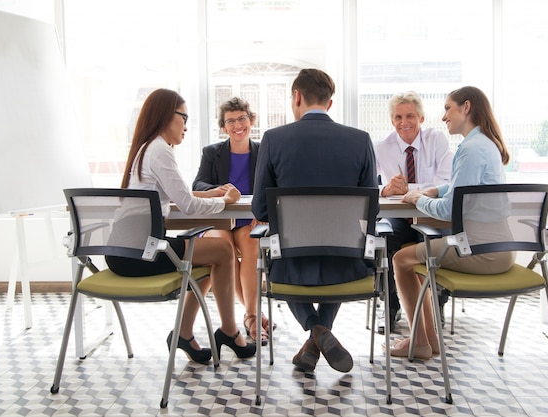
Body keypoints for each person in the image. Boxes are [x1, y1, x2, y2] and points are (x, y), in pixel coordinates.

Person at [106, 88, 256, 364]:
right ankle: (230, 331)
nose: (186, 126)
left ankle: (185, 333)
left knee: (211, 257)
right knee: (222, 251)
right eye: (183, 118)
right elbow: (188, 206)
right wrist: (225, 200)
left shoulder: (146, 148)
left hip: (122, 251)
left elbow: (178, 195)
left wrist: (207, 194)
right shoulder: (160, 150)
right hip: (142, 253)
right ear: (166, 116)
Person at [252, 68, 378, 373]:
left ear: (297, 97)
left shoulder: (273, 139)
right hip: (347, 264)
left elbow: (259, 208)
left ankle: (317, 332)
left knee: (279, 263)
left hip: (291, 265)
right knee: (334, 248)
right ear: (329, 103)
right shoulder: (360, 140)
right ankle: (321, 334)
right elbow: (371, 211)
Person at [389, 86, 512, 360]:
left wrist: (416, 199)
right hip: (501, 248)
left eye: (448, 108)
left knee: (400, 259)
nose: (444, 117)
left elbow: (447, 211)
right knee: (417, 262)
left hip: (479, 252)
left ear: (466, 107)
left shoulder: (469, 149)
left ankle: (419, 341)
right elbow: (464, 189)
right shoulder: (485, 144)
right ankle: (426, 341)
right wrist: (436, 190)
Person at [193, 97, 273, 345]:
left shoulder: (263, 151)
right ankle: (251, 315)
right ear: (223, 126)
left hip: (250, 219)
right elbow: (198, 185)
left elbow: (274, 185)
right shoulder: (212, 153)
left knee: (251, 245)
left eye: (242, 118)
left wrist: (264, 210)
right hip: (219, 219)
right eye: (231, 121)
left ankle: (250, 316)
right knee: (223, 250)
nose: (237, 125)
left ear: (251, 120)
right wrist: (221, 190)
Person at [374, 91, 453, 334]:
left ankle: (436, 306)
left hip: (432, 216)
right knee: (385, 241)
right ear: (391, 121)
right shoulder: (381, 147)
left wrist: (412, 189)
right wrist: (385, 189)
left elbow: (446, 181)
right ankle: (392, 307)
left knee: (438, 243)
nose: (403, 122)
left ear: (421, 118)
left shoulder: (437, 139)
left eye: (410, 116)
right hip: (400, 217)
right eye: (398, 117)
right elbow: (367, 185)